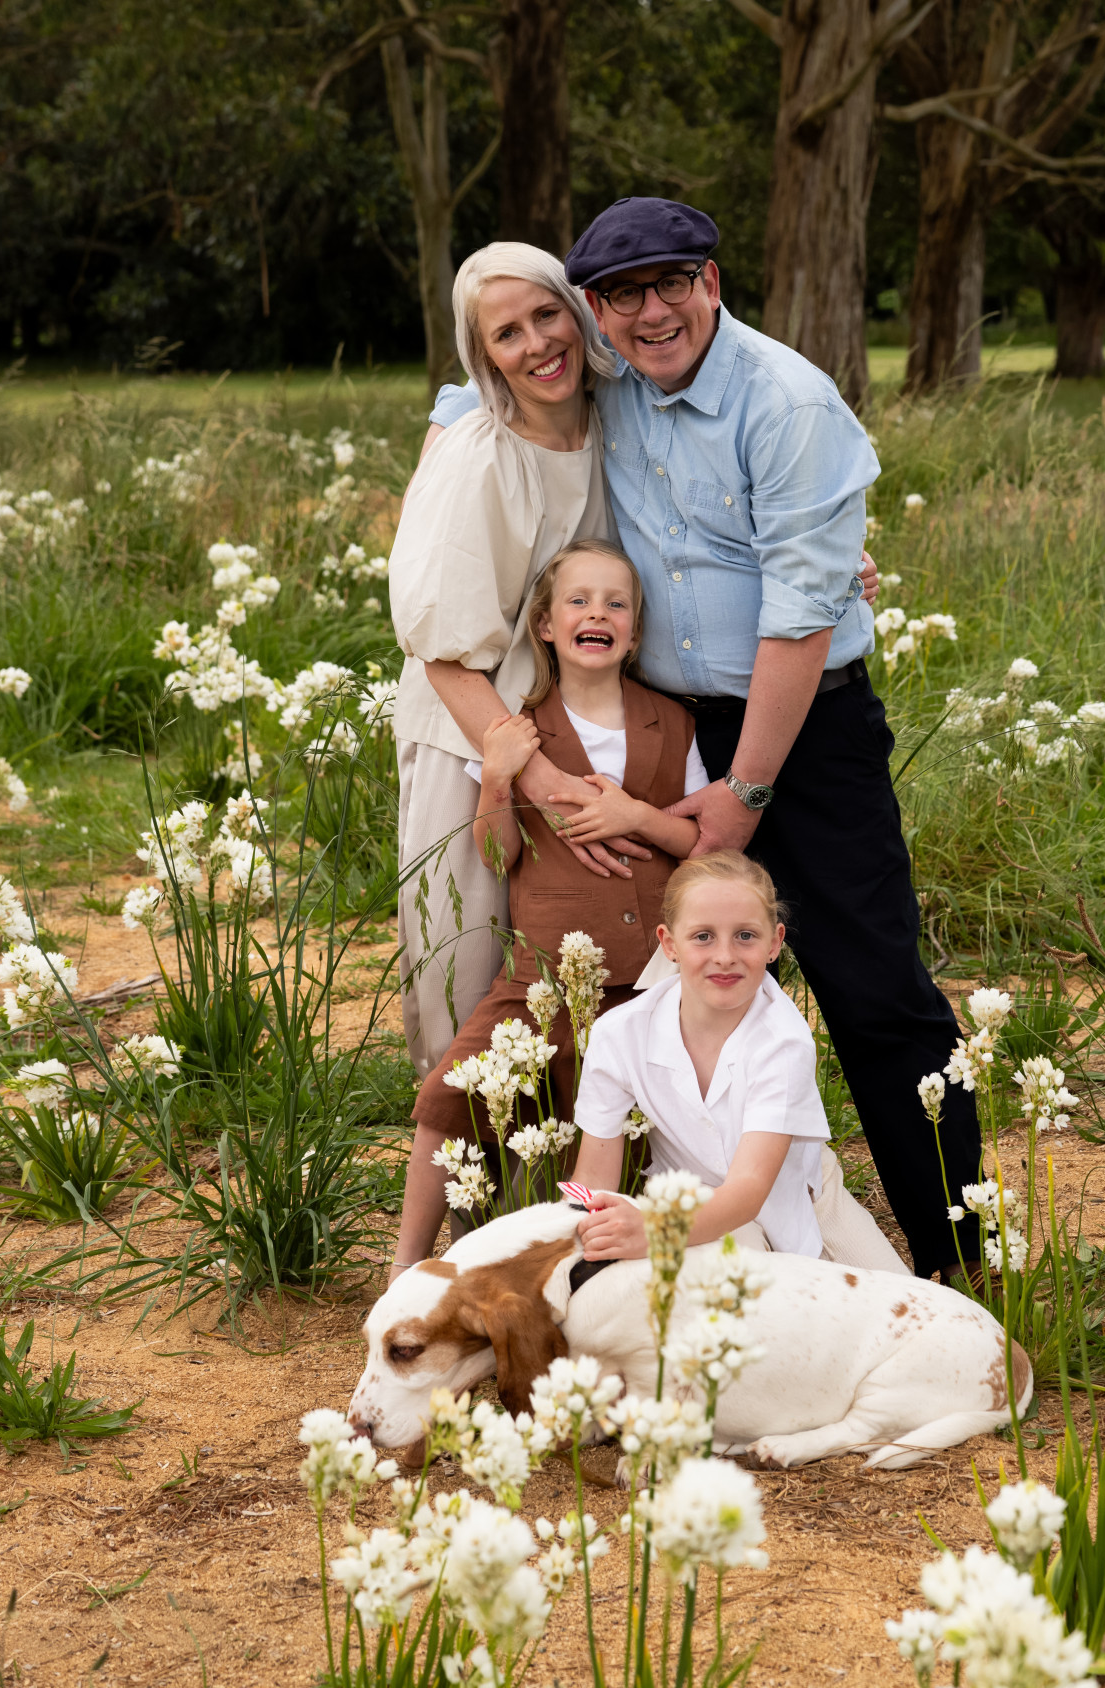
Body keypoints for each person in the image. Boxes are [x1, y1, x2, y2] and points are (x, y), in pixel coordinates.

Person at [425, 197, 982, 1282]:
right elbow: (495, 374)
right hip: (657, 723)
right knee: (639, 984)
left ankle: (959, 1259)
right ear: (598, 313)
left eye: (671, 282)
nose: (651, 311)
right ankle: (599, 1245)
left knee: (871, 989)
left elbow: (798, 620)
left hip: (796, 732)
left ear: (712, 281)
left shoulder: (785, 403)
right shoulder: (614, 377)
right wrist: (451, 416)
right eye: (623, 296)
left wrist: (746, 791)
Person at [387, 538, 708, 1280]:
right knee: (447, 1095)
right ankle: (405, 1265)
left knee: (618, 1125)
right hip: (541, 979)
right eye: (579, 601)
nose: (598, 612)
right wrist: (497, 781)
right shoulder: (519, 730)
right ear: (545, 625)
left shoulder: (672, 723)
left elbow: (698, 842)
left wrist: (636, 816)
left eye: (616, 603)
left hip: (652, 981)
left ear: (633, 631)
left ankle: (590, 1264)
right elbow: (496, 857)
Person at [387, 242, 622, 1079]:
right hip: (473, 738)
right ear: (482, 353)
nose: (536, 344)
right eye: (507, 332)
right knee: (468, 969)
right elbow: (444, 653)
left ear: (578, 309)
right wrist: (534, 779)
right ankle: (471, 1195)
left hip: (579, 734)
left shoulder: (620, 423)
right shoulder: (479, 454)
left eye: (546, 314)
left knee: (576, 977)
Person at [570, 850, 908, 1271]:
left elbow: (749, 1189)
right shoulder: (618, 1034)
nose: (725, 956)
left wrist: (655, 1230)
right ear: (669, 944)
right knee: (740, 1303)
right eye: (703, 936)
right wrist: (580, 1241)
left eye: (746, 935)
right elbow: (592, 1177)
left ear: (775, 943)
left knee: (916, 1315)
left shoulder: (784, 1039)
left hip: (799, 1194)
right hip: (686, 1205)